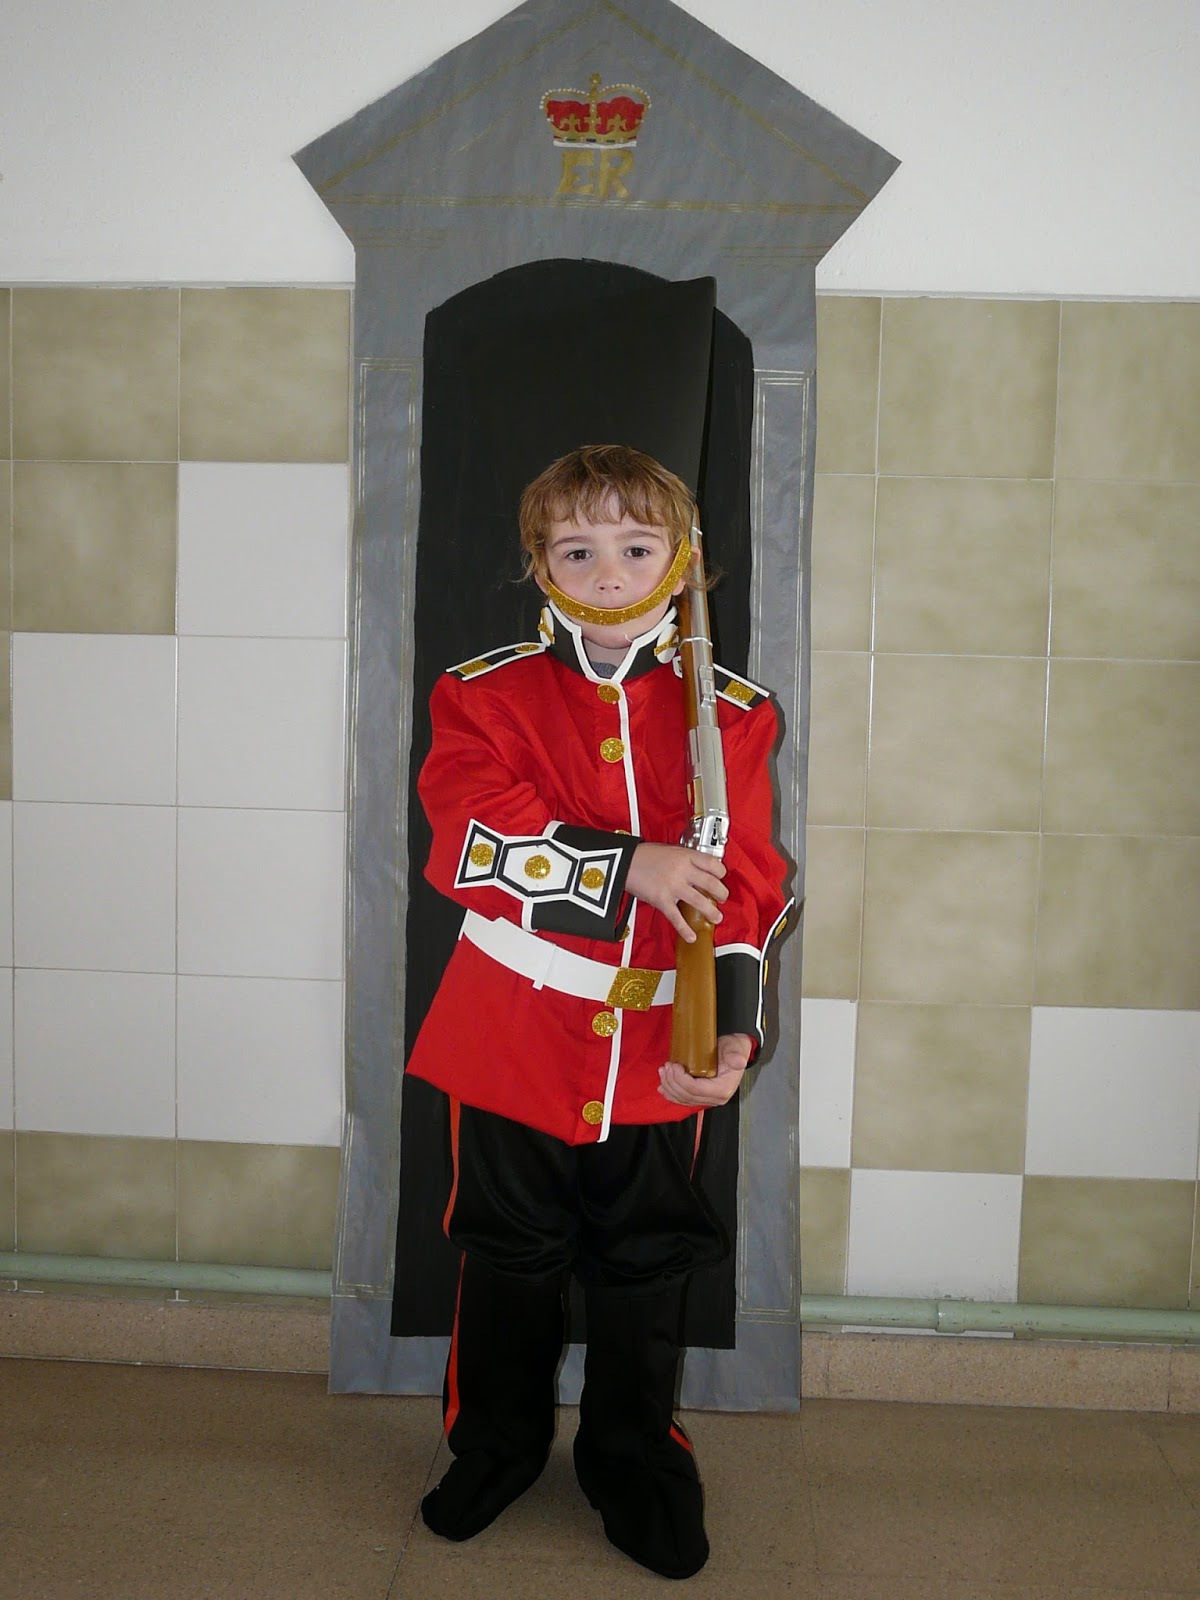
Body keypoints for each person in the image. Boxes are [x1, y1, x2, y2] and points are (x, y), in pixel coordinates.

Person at [406, 444, 789, 1580]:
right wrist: (625, 865)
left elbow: (754, 881)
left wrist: (732, 1029)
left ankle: (634, 1459)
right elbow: (468, 842)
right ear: (539, 564)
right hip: (514, 1031)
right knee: (508, 1258)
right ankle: (495, 1445)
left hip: (656, 1051)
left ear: (684, 563)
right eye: (578, 548)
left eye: (636, 547)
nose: (610, 572)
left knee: (645, 1265)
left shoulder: (735, 712)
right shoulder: (480, 692)